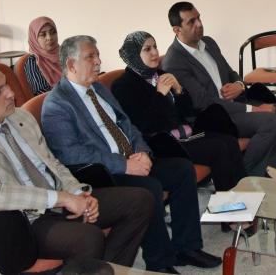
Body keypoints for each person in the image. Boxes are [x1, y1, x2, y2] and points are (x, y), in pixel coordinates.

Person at [0, 63, 154, 275]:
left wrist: (77, 192)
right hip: (21, 222)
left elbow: (52, 164)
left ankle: (105, 271)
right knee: (88, 238)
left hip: (57, 201)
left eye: (6, 84)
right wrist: (62, 199)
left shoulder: (21, 117)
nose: (10, 93)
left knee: (140, 201)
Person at [41, 35, 221, 274]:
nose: (98, 61)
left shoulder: (98, 88)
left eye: (97, 55)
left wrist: (142, 151)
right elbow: (71, 154)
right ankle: (160, 262)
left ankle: (186, 247)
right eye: (90, 57)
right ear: (71, 65)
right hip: (103, 173)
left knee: (181, 169)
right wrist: (124, 165)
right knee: (150, 188)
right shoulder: (57, 104)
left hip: (131, 158)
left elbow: (127, 124)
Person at [161, 2, 276, 177]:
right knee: (270, 121)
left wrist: (239, 85)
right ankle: (244, 176)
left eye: (199, 18)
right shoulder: (174, 61)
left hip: (235, 105)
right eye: (191, 22)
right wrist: (254, 109)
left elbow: (231, 72)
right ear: (177, 30)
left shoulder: (208, 43)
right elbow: (203, 102)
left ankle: (255, 167)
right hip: (213, 117)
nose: (199, 24)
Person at [112, 31, 246, 191]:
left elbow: (188, 111)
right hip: (161, 144)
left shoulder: (161, 75)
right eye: (147, 49)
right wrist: (160, 95)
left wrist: (179, 90)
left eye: (155, 46)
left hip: (184, 134)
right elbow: (144, 125)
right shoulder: (123, 86)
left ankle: (245, 194)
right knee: (218, 148)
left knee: (229, 140)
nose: (154, 52)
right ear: (134, 55)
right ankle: (230, 201)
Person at [24, 15, 62, 95]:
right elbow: (42, 92)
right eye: (43, 34)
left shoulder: (66, 53)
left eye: (53, 32)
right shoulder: (33, 61)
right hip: (56, 101)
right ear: (34, 38)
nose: (49, 38)